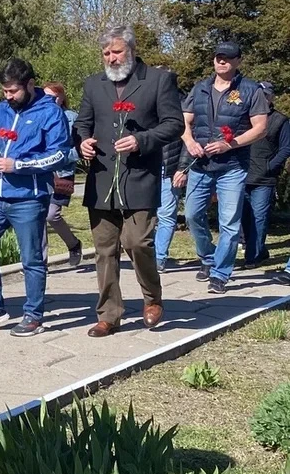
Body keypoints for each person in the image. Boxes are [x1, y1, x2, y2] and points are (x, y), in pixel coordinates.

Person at [74, 25, 184, 337]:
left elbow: (174, 124)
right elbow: (82, 123)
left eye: (116, 52)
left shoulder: (158, 80)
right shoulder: (93, 84)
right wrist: (82, 141)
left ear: (131, 51)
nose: (111, 58)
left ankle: (152, 298)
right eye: (106, 53)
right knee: (105, 249)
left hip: (139, 176)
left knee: (137, 242)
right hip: (102, 177)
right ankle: (109, 315)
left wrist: (142, 140)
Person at [0, 60, 70, 338]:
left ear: (30, 84)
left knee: (31, 259)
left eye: (13, 91)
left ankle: (33, 315)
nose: (8, 96)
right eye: (4, 91)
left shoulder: (50, 113)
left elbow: (59, 154)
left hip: (29, 198)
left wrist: (20, 166)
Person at [179, 41, 270, 294]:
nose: (222, 61)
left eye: (228, 58)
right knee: (191, 215)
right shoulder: (200, 88)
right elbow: (183, 121)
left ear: (238, 61)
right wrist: (190, 142)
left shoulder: (250, 90)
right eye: (218, 57)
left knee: (229, 223)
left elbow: (261, 128)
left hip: (232, 166)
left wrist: (230, 144)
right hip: (201, 165)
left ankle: (220, 273)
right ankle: (208, 256)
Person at [241, 82, 288, 269]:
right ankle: (258, 250)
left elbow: (286, 148)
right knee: (244, 217)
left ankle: (253, 257)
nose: (262, 98)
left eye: (265, 95)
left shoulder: (280, 120)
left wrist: (270, 166)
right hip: (242, 174)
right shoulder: (244, 118)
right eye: (259, 95)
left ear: (271, 98)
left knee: (258, 217)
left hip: (264, 178)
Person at [40, 82, 83, 267]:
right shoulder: (38, 116)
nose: (49, 101)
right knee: (39, 216)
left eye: (53, 97)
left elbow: (80, 149)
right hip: (41, 172)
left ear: (61, 98)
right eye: (45, 97)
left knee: (51, 215)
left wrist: (61, 157)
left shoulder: (72, 118)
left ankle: (74, 244)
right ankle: (40, 263)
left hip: (62, 173)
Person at [153, 65, 186, 274]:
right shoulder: (146, 101)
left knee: (165, 214)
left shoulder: (183, 104)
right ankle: (146, 254)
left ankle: (158, 257)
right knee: (145, 215)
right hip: (147, 167)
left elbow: (188, 140)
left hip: (170, 167)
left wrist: (182, 168)